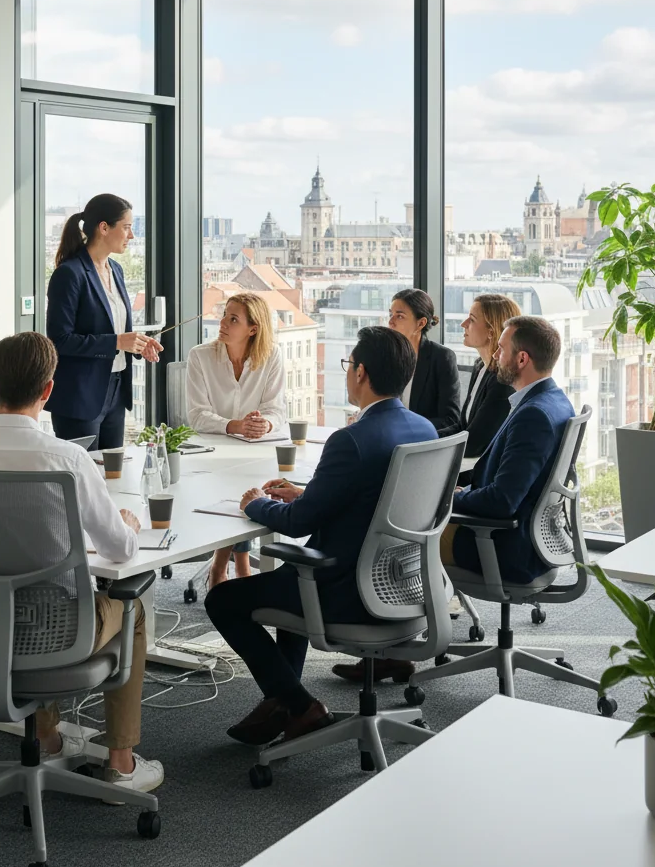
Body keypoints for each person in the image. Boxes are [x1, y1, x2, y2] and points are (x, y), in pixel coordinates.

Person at [0, 332, 164, 798]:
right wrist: (126, 521)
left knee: (33, 597)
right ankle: (120, 761)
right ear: (48, 391)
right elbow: (121, 551)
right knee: (133, 608)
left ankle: (46, 737)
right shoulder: (68, 458)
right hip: (57, 632)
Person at [203, 326, 437, 746]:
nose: (348, 372)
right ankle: (283, 703)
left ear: (360, 372)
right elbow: (376, 493)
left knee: (223, 600)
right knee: (289, 580)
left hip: (347, 591)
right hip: (405, 584)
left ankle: (298, 703)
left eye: (348, 365)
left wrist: (255, 502)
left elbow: (295, 524)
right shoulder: (423, 430)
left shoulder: (350, 440)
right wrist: (309, 492)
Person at [444, 315, 574, 584]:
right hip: (528, 537)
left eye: (501, 349)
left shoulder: (534, 416)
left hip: (506, 546)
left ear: (522, 359)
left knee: (403, 542)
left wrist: (445, 499)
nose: (496, 354)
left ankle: (418, 621)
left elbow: (502, 501)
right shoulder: (556, 401)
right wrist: (465, 492)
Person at [45, 194, 162, 449]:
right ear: (104, 227)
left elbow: (114, 328)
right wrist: (118, 342)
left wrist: (137, 343)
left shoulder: (116, 270)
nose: (131, 236)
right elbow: (59, 340)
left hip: (116, 390)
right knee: (84, 478)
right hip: (80, 395)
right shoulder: (70, 274)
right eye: (127, 227)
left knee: (112, 476)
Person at [186, 292, 286, 589]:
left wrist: (264, 424)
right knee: (235, 488)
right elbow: (196, 416)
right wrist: (235, 426)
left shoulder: (271, 356)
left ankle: (224, 567)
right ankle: (235, 567)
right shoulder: (201, 356)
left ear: (253, 329)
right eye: (224, 315)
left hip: (256, 449)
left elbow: (277, 410)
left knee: (251, 486)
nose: (223, 323)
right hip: (212, 450)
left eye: (233, 319)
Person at [456, 293, 521, 480]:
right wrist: (423, 436)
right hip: (465, 465)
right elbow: (463, 426)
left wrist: (427, 447)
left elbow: (475, 443)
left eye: (472, 319)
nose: (463, 324)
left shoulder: (502, 382)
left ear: (491, 331)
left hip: (478, 476)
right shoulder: (480, 366)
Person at [388, 288, 460, 434]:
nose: (390, 322)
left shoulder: (442, 358)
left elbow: (450, 419)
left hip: (421, 444)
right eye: (391, 314)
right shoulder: (386, 355)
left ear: (420, 324)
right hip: (387, 437)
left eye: (399, 316)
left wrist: (404, 429)